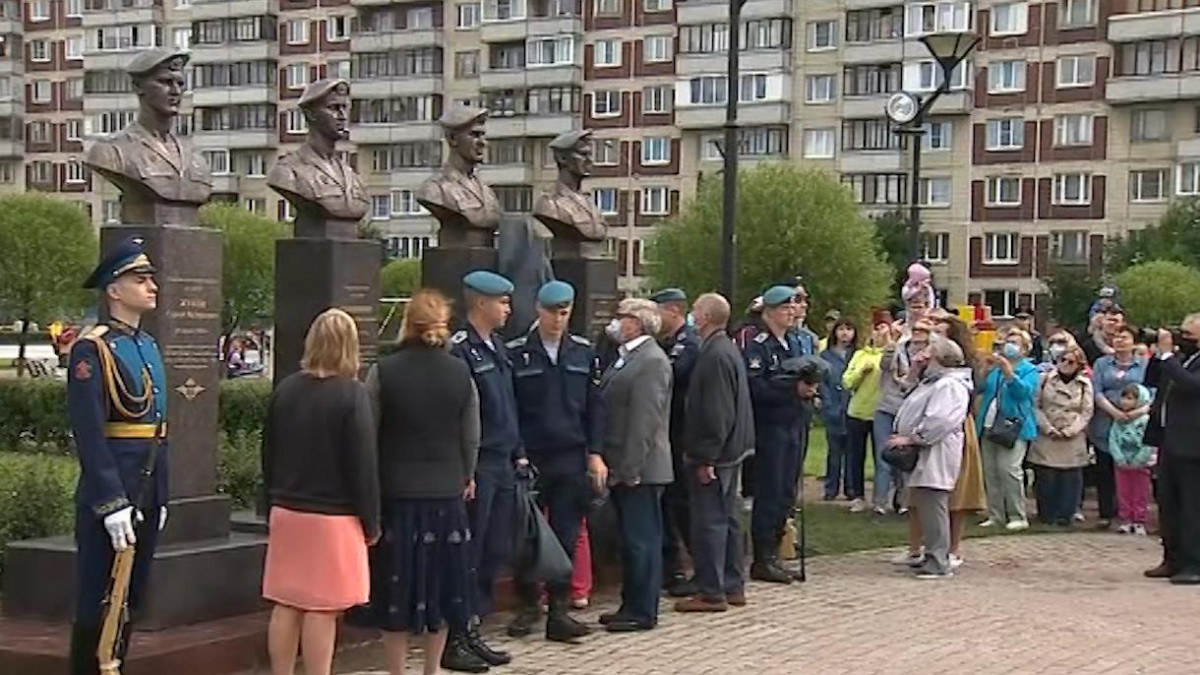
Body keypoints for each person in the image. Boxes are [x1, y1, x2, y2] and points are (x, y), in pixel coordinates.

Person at [67, 237, 169, 675]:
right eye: (139, 279)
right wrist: (111, 501)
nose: (151, 287)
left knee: (132, 598)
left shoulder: (147, 345)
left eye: (150, 279)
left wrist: (160, 494)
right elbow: (90, 434)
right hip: (112, 494)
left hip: (145, 487)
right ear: (113, 289)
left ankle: (115, 666)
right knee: (97, 596)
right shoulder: (93, 349)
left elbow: (158, 430)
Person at [364, 291, 480, 675]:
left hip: (397, 495)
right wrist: (467, 473)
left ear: (406, 324)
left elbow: (368, 431)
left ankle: (397, 670)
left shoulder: (384, 370)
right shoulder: (460, 371)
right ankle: (431, 669)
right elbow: (471, 434)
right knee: (443, 589)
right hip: (446, 493)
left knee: (396, 591)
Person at [261, 309, 379, 675]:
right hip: (333, 518)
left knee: (286, 602)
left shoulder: (286, 389)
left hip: (287, 511)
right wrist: (371, 521)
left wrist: (270, 503)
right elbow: (362, 464)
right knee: (322, 607)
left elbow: (269, 451)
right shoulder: (352, 395)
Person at [505, 280, 600, 643]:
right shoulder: (518, 353)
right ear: (538, 310)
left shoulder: (582, 352)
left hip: (571, 456)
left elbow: (595, 407)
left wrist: (596, 452)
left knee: (565, 533)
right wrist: (519, 452)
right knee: (527, 535)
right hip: (533, 456)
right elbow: (510, 408)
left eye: (563, 313)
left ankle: (558, 611)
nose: (557, 320)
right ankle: (529, 604)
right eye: (551, 312)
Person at [444, 270, 520, 671]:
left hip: (504, 461)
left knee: (494, 550)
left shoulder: (498, 347)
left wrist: (519, 451)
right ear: (480, 304)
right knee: (470, 552)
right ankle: (458, 634)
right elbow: (461, 416)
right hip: (480, 465)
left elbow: (508, 403)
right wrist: (466, 469)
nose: (508, 309)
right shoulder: (460, 350)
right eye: (502, 302)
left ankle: (477, 628)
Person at [597, 298, 673, 631]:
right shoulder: (627, 358)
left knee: (641, 539)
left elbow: (645, 419)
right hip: (625, 465)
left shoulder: (651, 361)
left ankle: (642, 609)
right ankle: (631, 603)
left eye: (622, 317)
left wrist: (630, 469)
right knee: (632, 539)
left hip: (641, 468)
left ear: (638, 323)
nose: (616, 322)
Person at [674, 293, 754, 612]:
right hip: (732, 450)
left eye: (695, 311)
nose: (692, 316)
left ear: (705, 317)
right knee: (729, 518)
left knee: (710, 522)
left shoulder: (714, 355)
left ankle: (711, 590)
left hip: (717, 454)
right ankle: (733, 584)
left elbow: (715, 412)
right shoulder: (726, 348)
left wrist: (706, 456)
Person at [742, 285, 813, 584]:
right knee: (769, 491)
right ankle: (762, 557)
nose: (791, 313)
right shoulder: (758, 344)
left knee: (786, 492)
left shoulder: (794, 343)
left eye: (793, 308)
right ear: (769, 311)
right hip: (769, 427)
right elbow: (755, 387)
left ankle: (776, 549)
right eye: (785, 308)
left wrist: (809, 389)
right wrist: (791, 389)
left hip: (794, 423)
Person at [888, 335, 973, 579]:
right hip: (928, 451)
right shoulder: (934, 381)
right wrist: (915, 369)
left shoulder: (950, 385)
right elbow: (907, 391)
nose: (923, 354)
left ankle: (938, 560)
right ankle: (932, 554)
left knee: (934, 501)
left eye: (929, 351)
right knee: (926, 502)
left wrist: (913, 438)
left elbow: (941, 420)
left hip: (937, 451)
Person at [651, 287, 700, 597]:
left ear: (672, 311)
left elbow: (670, 374)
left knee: (683, 504)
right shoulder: (666, 342)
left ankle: (695, 566)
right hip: (667, 433)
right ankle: (672, 567)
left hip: (682, 433)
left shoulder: (688, 343)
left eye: (658, 312)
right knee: (668, 503)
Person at [1143, 317, 1200, 583]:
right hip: (1169, 440)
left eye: (1187, 333)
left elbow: (1192, 385)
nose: (1182, 337)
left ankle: (1194, 563)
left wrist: (1167, 356)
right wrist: (1159, 356)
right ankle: (1172, 558)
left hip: (1194, 445)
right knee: (1168, 503)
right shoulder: (1181, 358)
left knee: (1192, 506)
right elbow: (1153, 379)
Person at [976, 328, 1040, 531]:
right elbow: (980, 388)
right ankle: (996, 514)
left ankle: (1018, 514)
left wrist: (1010, 373)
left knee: (1009, 470)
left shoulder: (1030, 370)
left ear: (1025, 348)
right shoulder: (994, 368)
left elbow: (1024, 393)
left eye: (1015, 342)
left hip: (1013, 427)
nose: (1009, 345)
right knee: (991, 472)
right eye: (1007, 342)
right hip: (989, 424)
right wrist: (984, 370)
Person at [872, 297, 930, 516]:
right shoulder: (897, 347)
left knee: (907, 458)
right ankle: (880, 502)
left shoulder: (931, 355)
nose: (917, 334)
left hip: (912, 411)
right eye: (915, 330)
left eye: (922, 331)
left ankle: (906, 501)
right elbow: (885, 366)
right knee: (884, 455)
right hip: (888, 407)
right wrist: (890, 343)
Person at [1087, 324, 1147, 530]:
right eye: (1116, 337)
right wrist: (1115, 412)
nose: (1120, 340)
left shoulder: (1144, 365)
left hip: (1137, 424)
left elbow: (1154, 391)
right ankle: (1106, 513)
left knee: (1134, 472)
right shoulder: (1102, 364)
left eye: (1125, 337)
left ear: (1134, 342)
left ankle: (1135, 515)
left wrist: (1136, 412)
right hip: (1106, 421)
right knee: (1105, 468)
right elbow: (1097, 391)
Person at [1028, 344, 1094, 527]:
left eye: (1070, 361)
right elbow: (1035, 405)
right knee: (1046, 477)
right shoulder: (1045, 379)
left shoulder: (1085, 383)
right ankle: (1046, 514)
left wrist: (1071, 430)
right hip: (1048, 432)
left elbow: (1087, 411)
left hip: (1072, 434)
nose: (1065, 364)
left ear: (1079, 364)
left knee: (1070, 478)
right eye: (1062, 360)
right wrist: (1047, 427)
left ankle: (1067, 514)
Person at [842, 322, 887, 512]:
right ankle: (858, 496)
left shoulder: (891, 354)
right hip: (858, 412)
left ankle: (881, 499)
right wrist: (861, 373)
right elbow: (846, 381)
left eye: (882, 329)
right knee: (856, 456)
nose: (878, 333)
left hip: (881, 412)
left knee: (882, 457)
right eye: (876, 329)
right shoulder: (860, 355)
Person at [819, 318, 858, 501]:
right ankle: (831, 488)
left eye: (849, 329)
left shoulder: (857, 355)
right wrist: (827, 404)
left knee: (852, 450)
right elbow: (822, 382)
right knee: (834, 451)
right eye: (841, 329)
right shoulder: (825, 356)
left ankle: (851, 488)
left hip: (853, 408)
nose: (844, 333)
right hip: (833, 406)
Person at [1110, 383, 1154, 536]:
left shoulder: (1146, 420)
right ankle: (1125, 519)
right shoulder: (1118, 420)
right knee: (1123, 492)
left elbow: (1150, 442)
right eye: (1124, 398)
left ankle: (1139, 520)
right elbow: (1113, 439)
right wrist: (1119, 457)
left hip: (1140, 463)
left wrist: (1140, 459)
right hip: (1121, 463)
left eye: (1130, 399)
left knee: (1140, 493)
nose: (1125, 402)